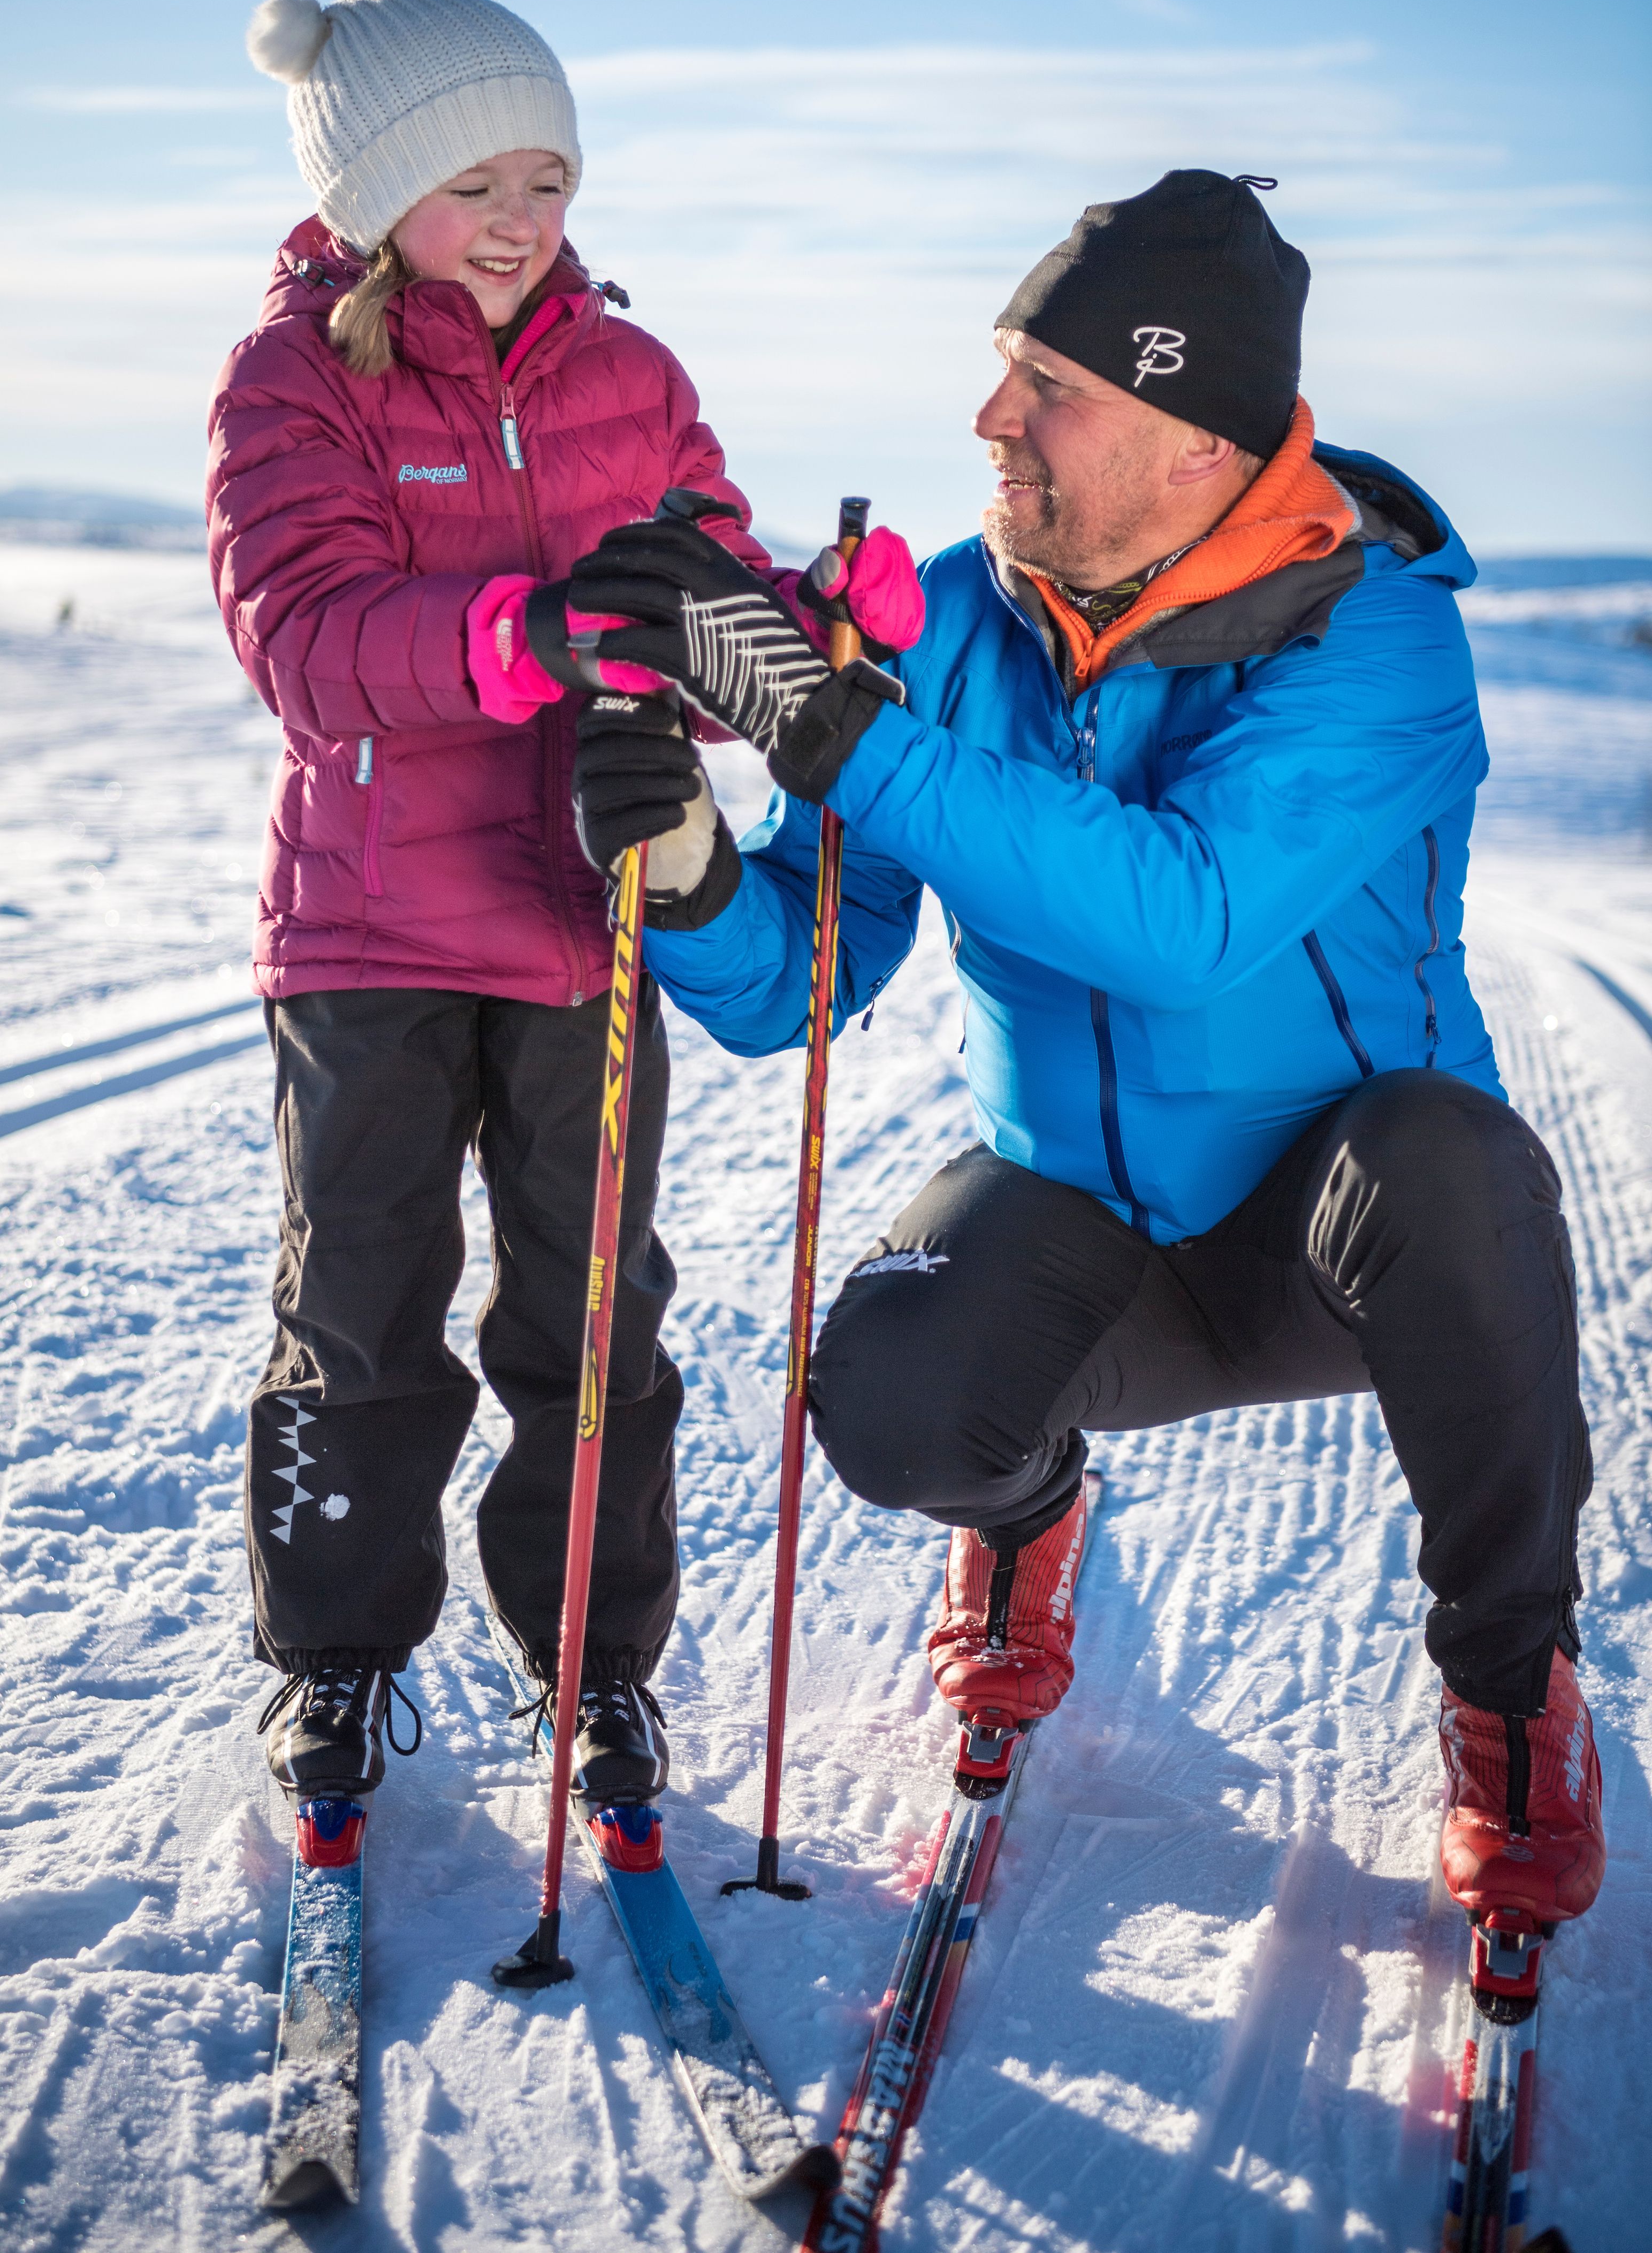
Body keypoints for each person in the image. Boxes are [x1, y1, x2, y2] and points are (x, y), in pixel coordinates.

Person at [558, 169, 1605, 1945]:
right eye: (1002, 368)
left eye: (1051, 387)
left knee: (1457, 1161)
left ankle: (1513, 1690)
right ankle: (1027, 1513)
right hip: (1083, 1221)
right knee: (886, 1395)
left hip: (1333, 1254)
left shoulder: (1378, 635)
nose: (993, 419)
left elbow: (1181, 917)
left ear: (1194, 438)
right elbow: (800, 984)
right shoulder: (964, 615)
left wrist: (834, 726)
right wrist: (689, 871)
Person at [205, 0, 923, 1820]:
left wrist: (813, 620)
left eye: (548, 174)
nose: (521, 217)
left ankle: (599, 1671)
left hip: (585, 927)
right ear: (372, 193)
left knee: (596, 1314)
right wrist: (530, 636)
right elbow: (306, 643)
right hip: (370, 934)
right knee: (363, 1306)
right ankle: (337, 1666)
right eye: (472, 180)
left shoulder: (634, 376)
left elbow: (700, 586)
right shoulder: (301, 379)